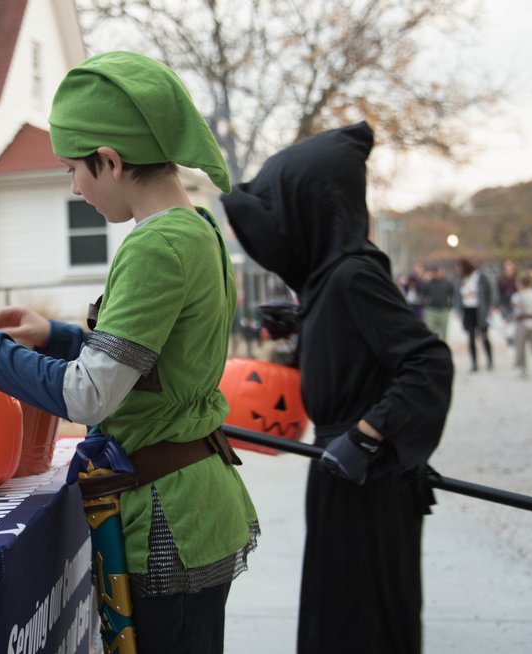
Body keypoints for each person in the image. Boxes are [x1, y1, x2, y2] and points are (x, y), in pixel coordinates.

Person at [0, 51, 258, 654]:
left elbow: (89, 392)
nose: (73, 186)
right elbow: (149, 365)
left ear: (110, 160)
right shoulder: (198, 226)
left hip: (170, 516)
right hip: (195, 503)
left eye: (73, 169)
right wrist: (52, 335)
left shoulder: (156, 244)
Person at [221, 122, 454, 654]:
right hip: (340, 471)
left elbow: (428, 362)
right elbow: (359, 354)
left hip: (366, 477)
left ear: (310, 211)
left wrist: (372, 434)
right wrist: (304, 325)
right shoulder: (329, 282)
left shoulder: (354, 277)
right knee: (338, 615)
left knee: (364, 622)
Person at [454, 257, 494, 371]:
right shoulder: (461, 280)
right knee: (471, 337)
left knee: (484, 336)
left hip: (480, 310)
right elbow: (457, 296)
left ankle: (489, 360)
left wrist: (490, 307)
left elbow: (489, 292)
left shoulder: (480, 277)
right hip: (468, 310)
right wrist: (458, 310)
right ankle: (474, 363)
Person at [421, 264, 455, 340]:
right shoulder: (429, 284)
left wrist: (450, 305)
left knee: (444, 333)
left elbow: (452, 295)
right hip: (431, 310)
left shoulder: (448, 283)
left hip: (443, 311)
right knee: (429, 330)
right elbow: (423, 294)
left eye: (442, 272)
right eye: (438, 272)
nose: (440, 274)